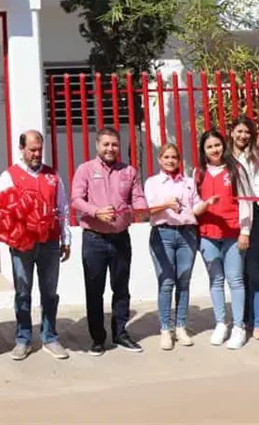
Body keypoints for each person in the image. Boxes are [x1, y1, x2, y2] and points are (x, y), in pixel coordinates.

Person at [71, 127, 148, 355]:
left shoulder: (129, 171)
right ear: (97, 146)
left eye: (114, 144)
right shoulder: (85, 170)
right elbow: (76, 199)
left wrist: (143, 209)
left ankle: (121, 333)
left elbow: (138, 197)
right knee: (94, 290)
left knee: (121, 288)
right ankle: (97, 338)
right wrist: (95, 211)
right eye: (106, 144)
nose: (110, 149)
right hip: (94, 239)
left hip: (120, 238)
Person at [0, 130, 71, 361]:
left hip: (49, 241)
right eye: (32, 150)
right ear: (22, 149)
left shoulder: (53, 176)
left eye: (40, 149)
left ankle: (49, 336)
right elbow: (5, 212)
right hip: (23, 244)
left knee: (49, 292)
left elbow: (63, 209)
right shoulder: (9, 176)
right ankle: (23, 339)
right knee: (23, 291)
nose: (37, 154)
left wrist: (66, 238)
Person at [195, 130, 252, 350]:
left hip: (233, 234)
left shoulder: (236, 169)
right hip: (208, 235)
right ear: (204, 151)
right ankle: (221, 323)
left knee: (235, 280)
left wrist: (245, 231)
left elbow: (247, 202)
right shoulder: (199, 173)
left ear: (224, 145)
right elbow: (195, 203)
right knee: (216, 281)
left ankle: (239, 326)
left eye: (217, 145)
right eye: (209, 147)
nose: (214, 150)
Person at [143, 144, 201, 351]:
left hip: (187, 233)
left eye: (174, 157)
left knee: (183, 282)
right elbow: (147, 210)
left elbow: (196, 206)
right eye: (166, 157)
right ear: (160, 159)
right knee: (166, 282)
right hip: (163, 234)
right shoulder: (153, 182)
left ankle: (181, 326)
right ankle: (165, 329)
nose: (170, 160)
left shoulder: (188, 182)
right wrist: (166, 205)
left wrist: (208, 203)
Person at [228, 117, 259, 340]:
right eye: (240, 131)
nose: (243, 136)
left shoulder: (256, 157)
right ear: (232, 132)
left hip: (255, 214)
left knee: (253, 268)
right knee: (236, 271)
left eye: (247, 132)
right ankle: (241, 319)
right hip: (230, 216)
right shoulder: (224, 157)